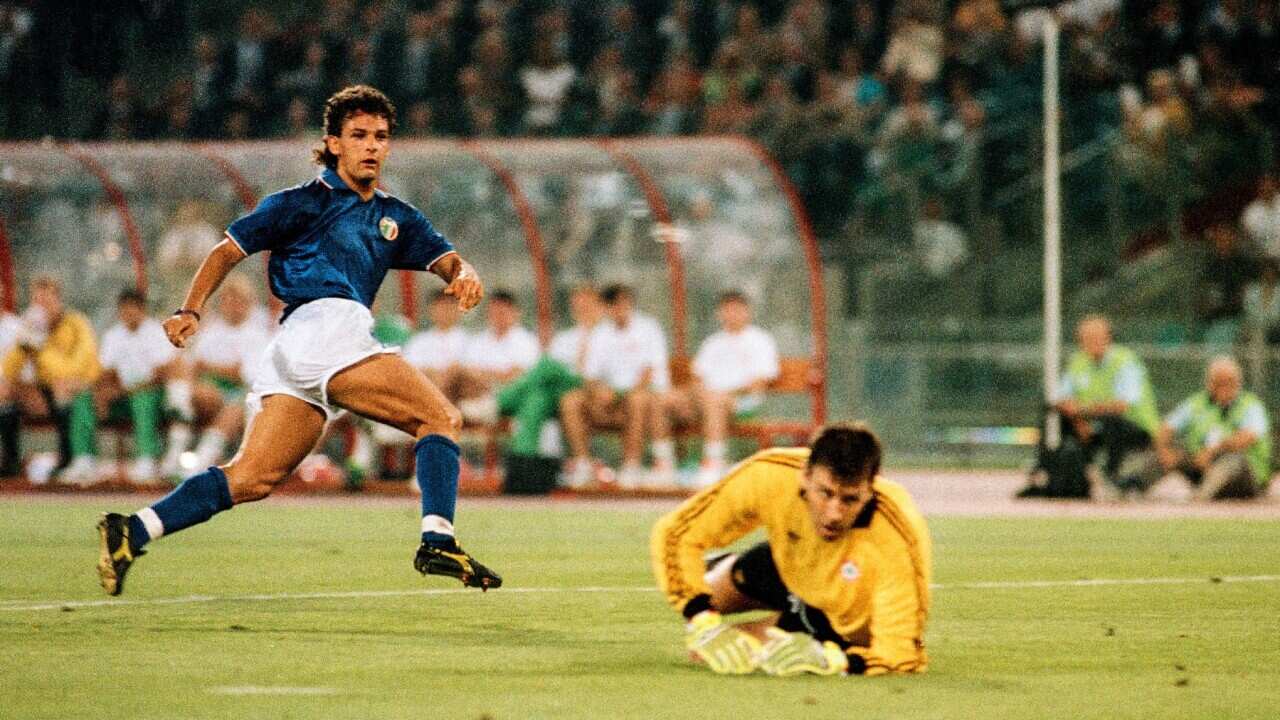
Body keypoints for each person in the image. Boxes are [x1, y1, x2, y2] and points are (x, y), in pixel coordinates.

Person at [96, 85, 501, 596]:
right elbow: (227, 251)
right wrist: (190, 309)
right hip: (322, 330)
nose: (371, 146)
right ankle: (438, 539)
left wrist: (465, 275)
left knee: (252, 478)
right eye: (358, 136)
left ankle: (132, 530)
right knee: (439, 418)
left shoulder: (398, 216)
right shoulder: (298, 204)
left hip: (299, 350)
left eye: (380, 136)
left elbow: (449, 263)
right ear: (332, 143)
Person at [650, 424, 931, 676]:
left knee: (716, 655)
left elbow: (901, 654)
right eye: (825, 493)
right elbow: (676, 533)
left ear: (870, 490)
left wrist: (835, 661)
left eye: (850, 499)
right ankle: (725, 568)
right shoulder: (769, 474)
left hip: (836, 614)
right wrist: (702, 621)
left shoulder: (897, 534)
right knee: (700, 596)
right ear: (805, 476)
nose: (834, 514)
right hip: (789, 565)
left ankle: (789, 622)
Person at [1018, 315, 1160, 499]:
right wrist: (1077, 420)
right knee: (1052, 412)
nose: (1091, 343)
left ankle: (1112, 480)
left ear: (1108, 338)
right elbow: (1061, 398)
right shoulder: (1079, 362)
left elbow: (1121, 406)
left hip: (1134, 428)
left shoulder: (1125, 361)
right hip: (1093, 423)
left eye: (1096, 337)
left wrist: (1082, 412)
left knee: (1111, 421)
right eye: (1086, 338)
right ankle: (1050, 473)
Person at [651, 291, 780, 488]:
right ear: (720, 313)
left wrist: (721, 393)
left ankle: (713, 462)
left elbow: (760, 381)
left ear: (747, 312)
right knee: (663, 399)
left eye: (737, 308)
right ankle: (663, 464)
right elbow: (697, 378)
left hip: (741, 402)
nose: (732, 313)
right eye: (727, 309)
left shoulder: (760, 340)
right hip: (705, 400)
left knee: (714, 399)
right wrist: (696, 397)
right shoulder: (713, 342)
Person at [159, 274, 273, 480]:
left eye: (238, 300)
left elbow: (243, 375)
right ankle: (175, 449)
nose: (232, 305)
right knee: (180, 368)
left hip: (241, 395)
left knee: (233, 410)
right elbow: (193, 366)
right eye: (228, 300)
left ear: (248, 304)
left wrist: (210, 368)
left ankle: (198, 466)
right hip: (206, 393)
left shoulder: (256, 335)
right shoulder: (211, 331)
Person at [495, 284, 604, 489]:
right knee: (536, 398)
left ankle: (498, 403)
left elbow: (593, 376)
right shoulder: (565, 338)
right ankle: (524, 471)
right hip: (557, 395)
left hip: (587, 391)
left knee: (547, 367)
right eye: (578, 306)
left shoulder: (607, 334)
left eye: (587, 305)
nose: (582, 310)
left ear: (599, 306)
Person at [560, 284, 669, 489]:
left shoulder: (648, 328)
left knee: (637, 400)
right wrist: (599, 392)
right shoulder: (601, 334)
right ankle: (584, 464)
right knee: (571, 400)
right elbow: (591, 376)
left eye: (623, 303)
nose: (619, 309)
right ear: (607, 308)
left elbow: (649, 374)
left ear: (630, 304)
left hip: (644, 396)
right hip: (609, 399)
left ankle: (632, 465)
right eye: (613, 304)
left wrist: (619, 395)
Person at [1, 275, 101, 484]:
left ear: (58, 300)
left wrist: (43, 349)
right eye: (37, 302)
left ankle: (72, 459)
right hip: (42, 390)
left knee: (64, 391)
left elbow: (82, 365)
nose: (42, 307)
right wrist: (24, 344)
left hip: (76, 386)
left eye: (47, 301)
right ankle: (11, 463)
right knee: (5, 391)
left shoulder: (76, 323)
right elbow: (9, 371)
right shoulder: (31, 328)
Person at [1154, 356, 1272, 501]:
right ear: (1209, 383)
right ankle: (1140, 495)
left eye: (1229, 382)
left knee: (1233, 461)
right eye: (1218, 382)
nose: (1224, 388)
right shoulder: (1196, 403)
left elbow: (1248, 437)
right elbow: (1166, 427)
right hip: (1201, 467)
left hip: (1245, 478)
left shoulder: (1251, 405)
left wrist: (1211, 452)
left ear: (1238, 383)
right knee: (1160, 458)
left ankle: (1200, 498)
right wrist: (1165, 452)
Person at [94, 289, 175, 483]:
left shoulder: (156, 332)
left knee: (142, 400)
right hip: (123, 394)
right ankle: (84, 459)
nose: (128, 314)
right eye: (124, 310)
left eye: (133, 309)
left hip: (154, 394)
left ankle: (146, 458)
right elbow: (106, 371)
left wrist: (128, 390)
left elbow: (161, 374)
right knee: (84, 399)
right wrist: (103, 392)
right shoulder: (113, 335)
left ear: (142, 310)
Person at [454, 290, 540, 423]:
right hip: (477, 391)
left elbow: (516, 375)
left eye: (502, 312)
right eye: (493, 312)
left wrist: (484, 374)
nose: (497, 316)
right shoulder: (479, 340)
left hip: (510, 396)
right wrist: (492, 375)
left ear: (515, 312)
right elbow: (466, 370)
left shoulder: (526, 341)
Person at [402, 289, 473, 401]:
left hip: (459, 393)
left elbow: (474, 368)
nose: (445, 311)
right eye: (441, 306)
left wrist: (452, 373)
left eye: (450, 306)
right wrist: (434, 373)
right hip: (426, 390)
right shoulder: (419, 341)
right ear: (432, 310)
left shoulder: (470, 340)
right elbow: (408, 368)